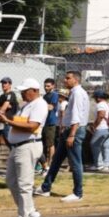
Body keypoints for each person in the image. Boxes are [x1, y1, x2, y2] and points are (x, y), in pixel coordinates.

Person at [0, 78, 47, 217]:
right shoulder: (27, 105)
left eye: (25, 91)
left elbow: (32, 126)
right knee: (11, 180)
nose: (22, 94)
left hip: (28, 146)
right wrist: (5, 119)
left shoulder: (40, 104)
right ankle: (29, 210)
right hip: (18, 146)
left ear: (34, 91)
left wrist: (7, 121)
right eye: (22, 91)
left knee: (24, 184)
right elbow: (20, 122)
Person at [36, 70, 88, 202]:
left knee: (75, 163)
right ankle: (45, 188)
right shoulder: (75, 93)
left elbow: (76, 116)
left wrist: (71, 135)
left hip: (74, 131)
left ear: (75, 80)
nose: (65, 80)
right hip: (68, 130)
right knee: (56, 161)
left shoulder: (77, 93)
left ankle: (78, 193)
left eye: (68, 78)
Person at [38, 78, 59, 175]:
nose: (46, 88)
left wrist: (40, 105)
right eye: (45, 86)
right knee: (43, 145)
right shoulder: (45, 96)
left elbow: (51, 107)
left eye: (48, 86)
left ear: (53, 86)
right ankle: (43, 165)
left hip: (50, 122)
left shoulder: (54, 95)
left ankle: (50, 165)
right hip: (44, 122)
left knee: (50, 144)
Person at [89, 91, 109, 172]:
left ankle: (99, 165)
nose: (95, 99)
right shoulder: (108, 104)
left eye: (95, 97)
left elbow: (101, 115)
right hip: (108, 128)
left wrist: (94, 126)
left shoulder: (100, 104)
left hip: (101, 127)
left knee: (94, 145)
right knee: (106, 146)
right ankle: (107, 165)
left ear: (98, 98)